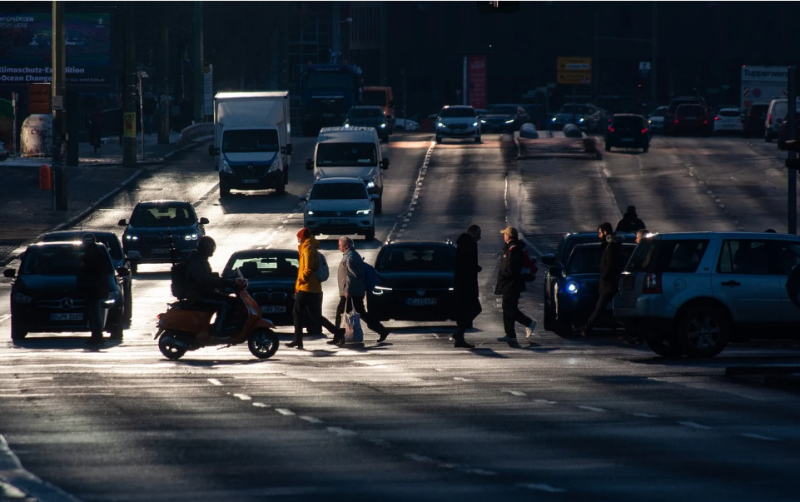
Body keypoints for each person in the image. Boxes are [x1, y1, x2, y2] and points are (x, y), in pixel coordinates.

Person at [331, 237, 389, 346]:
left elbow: (352, 276)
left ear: (346, 246)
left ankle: (338, 337)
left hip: (351, 292)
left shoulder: (351, 257)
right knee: (360, 313)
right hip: (355, 291)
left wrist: (348, 290)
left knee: (341, 313)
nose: (338, 247)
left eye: (340, 245)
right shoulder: (351, 256)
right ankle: (382, 330)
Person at [289, 228, 338, 349]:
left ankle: (297, 340)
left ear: (303, 238)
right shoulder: (308, 248)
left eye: (299, 238)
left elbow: (308, 269)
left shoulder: (308, 249)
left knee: (297, 312)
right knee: (314, 316)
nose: (298, 240)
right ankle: (338, 333)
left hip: (307, 287)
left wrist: (301, 281)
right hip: (311, 288)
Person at [577, 223, 626, 337]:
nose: (599, 236)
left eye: (600, 232)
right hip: (609, 283)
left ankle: (587, 328)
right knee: (608, 308)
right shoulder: (610, 246)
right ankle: (587, 328)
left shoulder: (612, 247)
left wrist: (604, 276)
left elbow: (609, 265)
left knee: (600, 308)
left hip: (609, 284)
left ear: (605, 232)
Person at [185, 236, 235, 338]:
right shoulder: (195, 261)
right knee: (224, 304)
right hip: (198, 295)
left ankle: (229, 326)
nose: (212, 250)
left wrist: (223, 280)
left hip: (205, 292)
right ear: (204, 248)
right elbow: (203, 279)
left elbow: (207, 276)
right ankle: (218, 330)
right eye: (210, 247)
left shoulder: (202, 260)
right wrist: (222, 282)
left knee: (231, 301)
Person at [495, 227, 537, 342]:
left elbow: (511, 269)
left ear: (509, 236)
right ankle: (510, 334)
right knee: (508, 308)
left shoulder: (513, 249)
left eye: (505, 234)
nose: (503, 236)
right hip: (510, 283)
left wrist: (502, 273)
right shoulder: (511, 248)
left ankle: (528, 322)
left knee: (508, 308)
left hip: (511, 283)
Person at [78, 234, 113, 346]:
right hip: (95, 287)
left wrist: (83, 268)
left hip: (92, 288)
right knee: (94, 313)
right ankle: (97, 336)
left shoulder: (92, 253)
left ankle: (97, 337)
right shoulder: (97, 252)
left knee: (94, 313)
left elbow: (91, 270)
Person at [452, 225, 483, 348]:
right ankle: (459, 333)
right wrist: (476, 268)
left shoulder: (463, 244)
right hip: (466, 285)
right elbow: (467, 265)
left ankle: (460, 337)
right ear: (473, 234)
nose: (480, 237)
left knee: (465, 312)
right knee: (475, 309)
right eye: (479, 234)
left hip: (462, 284)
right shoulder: (469, 245)